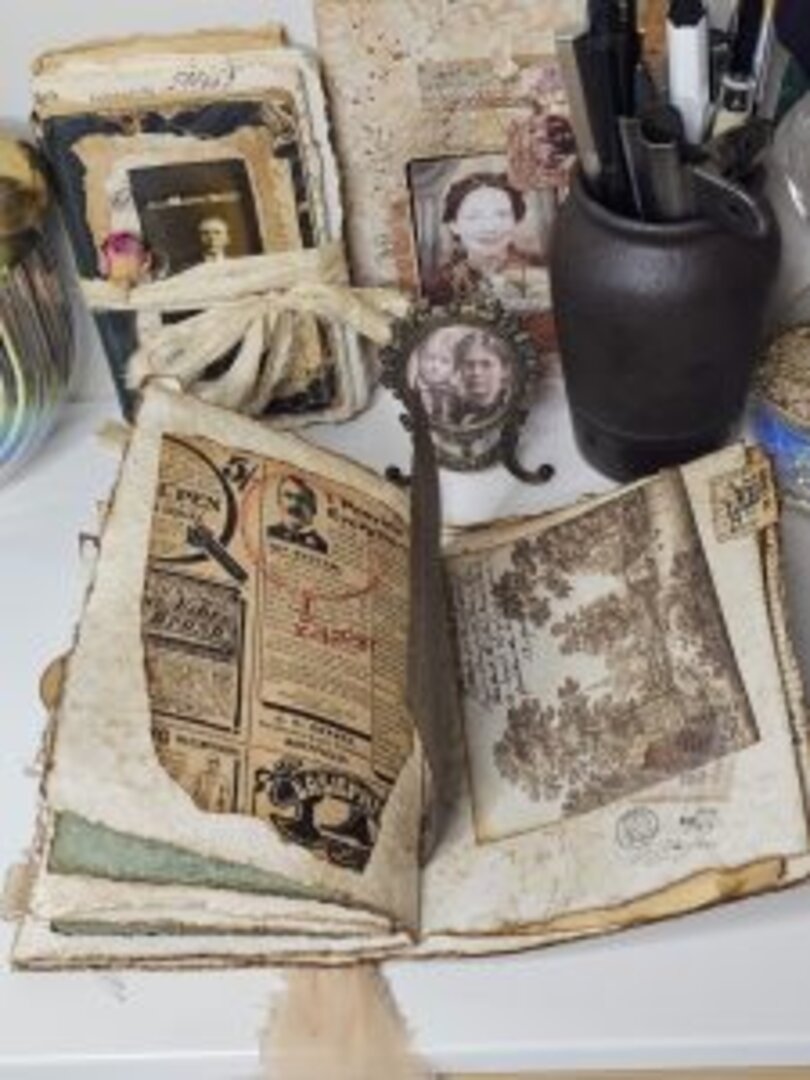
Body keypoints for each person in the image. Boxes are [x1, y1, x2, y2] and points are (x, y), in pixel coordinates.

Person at [425, 172, 544, 305]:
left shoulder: (539, 276)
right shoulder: (439, 285)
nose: (490, 228)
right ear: (454, 225)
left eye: (501, 215)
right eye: (474, 217)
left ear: (516, 220)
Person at [454, 329, 512, 425]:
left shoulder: (511, 410)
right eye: (469, 364)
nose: (476, 372)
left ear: (504, 370)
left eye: (486, 364)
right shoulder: (451, 413)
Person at [409, 326, 463, 426]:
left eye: (444, 361)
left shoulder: (454, 393)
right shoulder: (416, 390)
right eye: (429, 358)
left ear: (455, 367)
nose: (435, 366)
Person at [266, 474, 329, 554]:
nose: (294, 503)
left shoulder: (321, 546)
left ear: (313, 508)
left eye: (302, 499)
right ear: (279, 501)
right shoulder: (268, 533)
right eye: (288, 496)